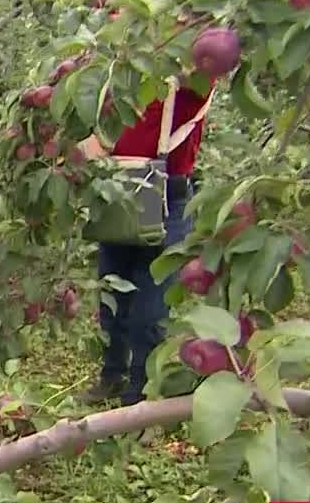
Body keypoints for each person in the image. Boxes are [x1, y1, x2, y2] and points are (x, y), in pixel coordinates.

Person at [78, 74, 214, 407]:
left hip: (166, 198)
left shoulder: (182, 86)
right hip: (118, 191)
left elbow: (204, 64)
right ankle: (112, 376)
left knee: (149, 313)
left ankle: (140, 395)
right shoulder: (119, 81)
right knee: (112, 296)